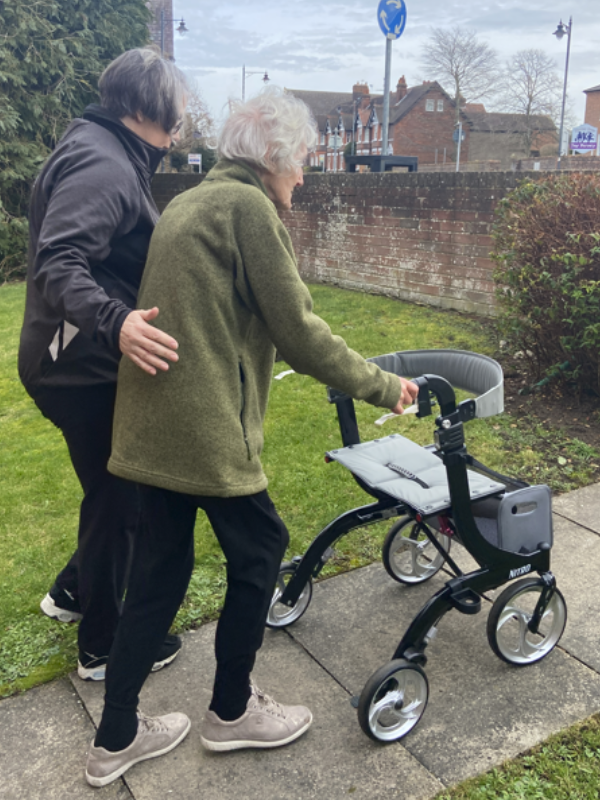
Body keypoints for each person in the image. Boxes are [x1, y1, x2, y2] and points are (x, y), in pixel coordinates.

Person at [84, 87, 419, 787]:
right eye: (300, 160)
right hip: (200, 431)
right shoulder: (247, 209)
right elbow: (298, 331)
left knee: (158, 576)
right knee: (263, 545)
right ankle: (231, 713)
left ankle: (115, 737)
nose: (304, 174)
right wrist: (387, 387)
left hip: (149, 429)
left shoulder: (190, 200)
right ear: (272, 159)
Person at [18, 48, 187, 681]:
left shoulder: (105, 147)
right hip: (77, 368)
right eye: (173, 121)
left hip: (74, 359)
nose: (177, 136)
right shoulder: (102, 162)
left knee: (114, 493)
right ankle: (103, 648)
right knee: (125, 499)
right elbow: (58, 261)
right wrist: (117, 323)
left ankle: (70, 593)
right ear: (142, 110)